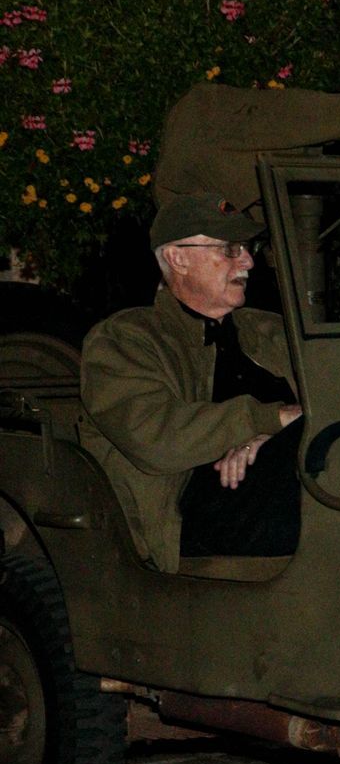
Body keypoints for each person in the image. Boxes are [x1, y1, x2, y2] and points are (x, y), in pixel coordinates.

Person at [79, 194, 304, 570]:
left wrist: (275, 435)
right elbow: (155, 437)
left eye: (247, 248)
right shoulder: (125, 339)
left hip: (287, 493)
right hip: (196, 515)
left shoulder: (273, 331)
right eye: (229, 249)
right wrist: (270, 419)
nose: (247, 261)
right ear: (177, 259)